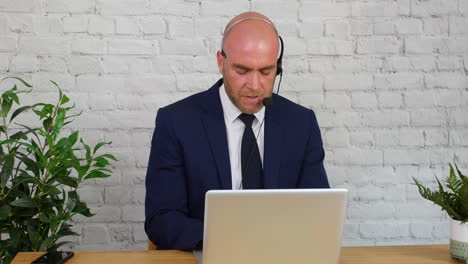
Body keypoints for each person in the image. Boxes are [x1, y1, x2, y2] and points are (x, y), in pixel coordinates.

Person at [145, 12, 330, 250]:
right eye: (242, 71)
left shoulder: (301, 123)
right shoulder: (176, 122)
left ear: (278, 68)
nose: (254, 86)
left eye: (266, 72)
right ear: (221, 62)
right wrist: (235, 239)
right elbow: (161, 220)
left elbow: (318, 210)